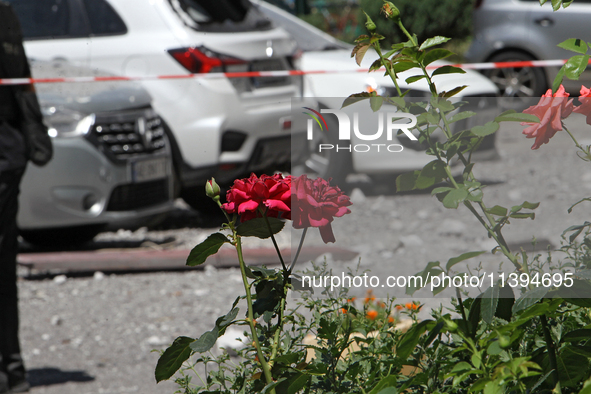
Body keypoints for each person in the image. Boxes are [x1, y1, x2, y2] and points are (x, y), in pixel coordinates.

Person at [0, 2, 51, 392]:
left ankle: (12, 370)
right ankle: (12, 371)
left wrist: (32, 136)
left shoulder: (5, 15)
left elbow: (21, 81)